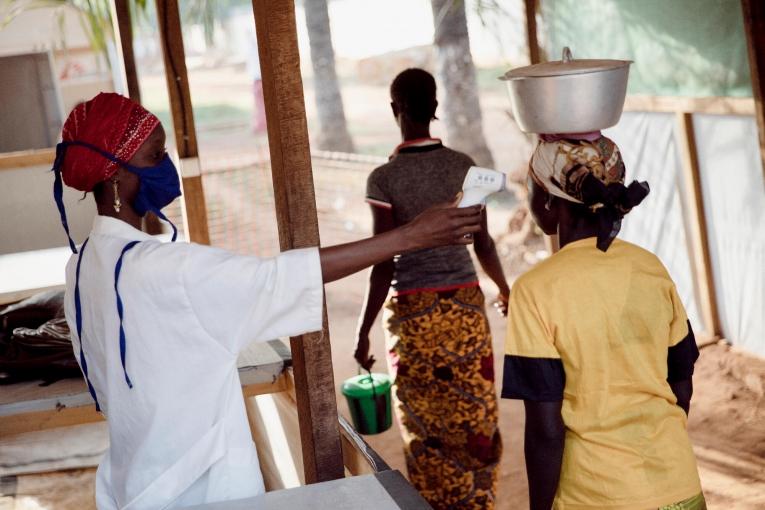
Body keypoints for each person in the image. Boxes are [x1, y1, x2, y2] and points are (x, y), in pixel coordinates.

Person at [51, 92, 483, 509]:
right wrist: (411, 236)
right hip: (202, 488)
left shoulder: (81, 266)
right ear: (113, 175)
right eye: (155, 157)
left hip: (133, 481)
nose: (166, 167)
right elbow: (279, 278)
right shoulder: (165, 269)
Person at [501, 134, 706, 510]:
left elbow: (546, 431)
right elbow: (682, 384)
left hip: (597, 497)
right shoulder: (650, 268)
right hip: (680, 486)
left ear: (547, 201)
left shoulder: (535, 290)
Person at [354, 69, 509, 509]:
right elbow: (483, 242)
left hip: (413, 316)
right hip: (463, 311)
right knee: (474, 418)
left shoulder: (383, 179)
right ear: (435, 108)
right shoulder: (463, 168)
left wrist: (364, 330)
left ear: (394, 110)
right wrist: (503, 288)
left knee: (425, 427)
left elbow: (384, 261)